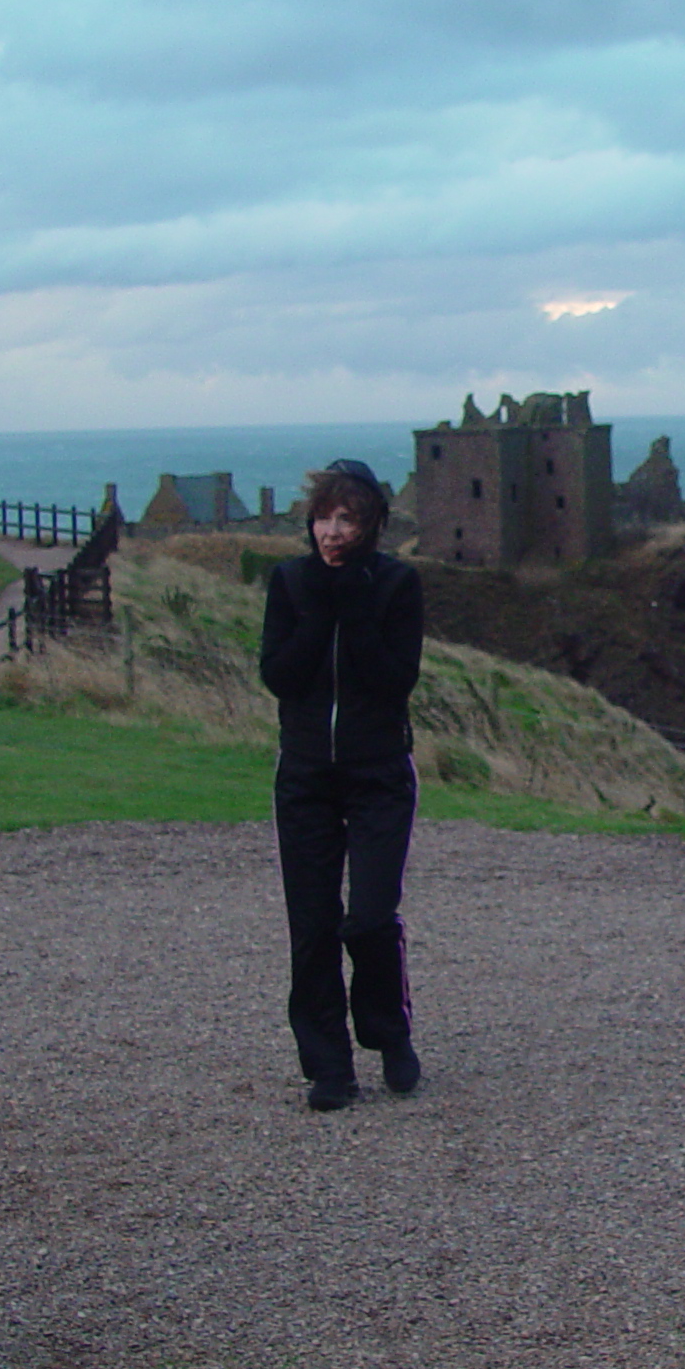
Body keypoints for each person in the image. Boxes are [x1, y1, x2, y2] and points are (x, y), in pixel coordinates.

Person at [259, 458, 426, 1111]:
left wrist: (353, 608)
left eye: (347, 519)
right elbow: (278, 675)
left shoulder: (396, 585)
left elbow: (393, 681)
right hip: (304, 776)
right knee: (313, 925)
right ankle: (328, 1065)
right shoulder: (290, 582)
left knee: (369, 918)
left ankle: (389, 1033)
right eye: (324, 517)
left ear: (371, 526)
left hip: (379, 772)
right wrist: (317, 615)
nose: (331, 531)